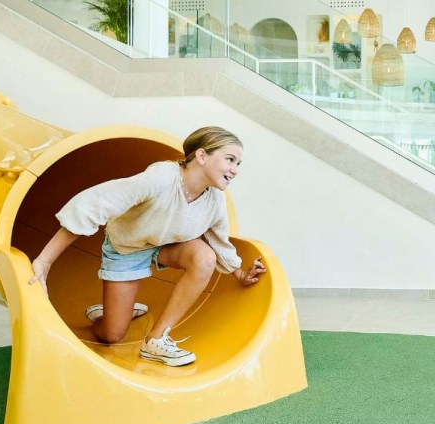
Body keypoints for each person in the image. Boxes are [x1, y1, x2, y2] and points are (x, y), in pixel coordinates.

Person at [28, 126, 267, 366]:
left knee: (205, 257)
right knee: (111, 334)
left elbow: (219, 240)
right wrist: (44, 261)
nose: (235, 170)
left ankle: (156, 340)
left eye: (238, 164)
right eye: (230, 160)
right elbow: (95, 204)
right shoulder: (161, 178)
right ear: (202, 156)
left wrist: (240, 274)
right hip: (128, 248)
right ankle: (107, 314)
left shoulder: (215, 198)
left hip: (168, 247)